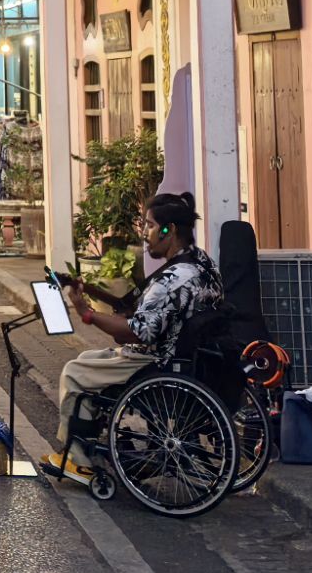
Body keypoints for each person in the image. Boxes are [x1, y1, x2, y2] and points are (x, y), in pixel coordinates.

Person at [53, 191, 224, 475]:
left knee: (75, 371)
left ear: (169, 231)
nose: (145, 233)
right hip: (191, 358)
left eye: (150, 225)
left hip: (156, 362)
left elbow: (135, 333)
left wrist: (87, 313)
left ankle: (79, 459)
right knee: (90, 357)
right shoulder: (203, 263)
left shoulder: (169, 281)